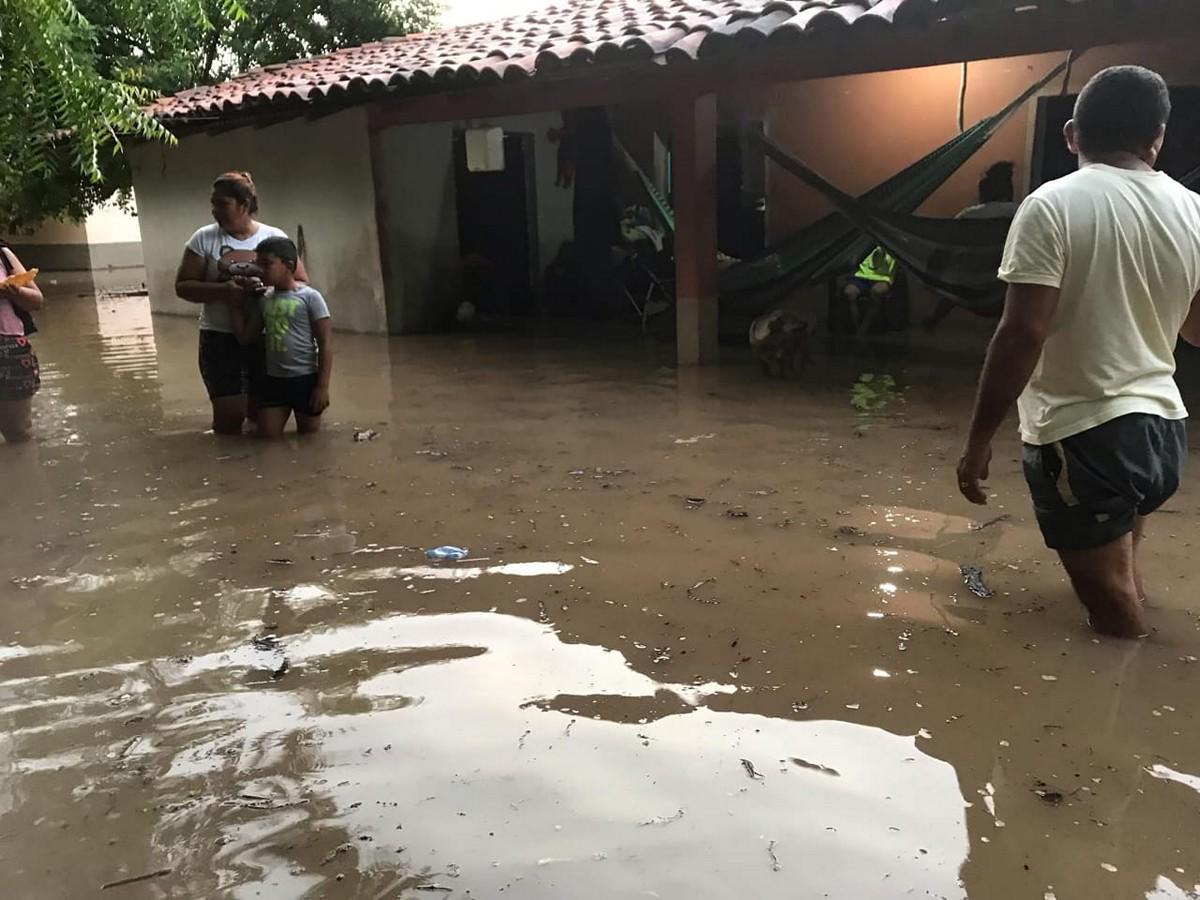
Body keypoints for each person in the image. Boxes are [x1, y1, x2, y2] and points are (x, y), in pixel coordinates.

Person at [957, 65, 1200, 639]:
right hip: (1163, 430)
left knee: (1111, 607)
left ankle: (1133, 696)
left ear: (1072, 135)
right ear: (1157, 138)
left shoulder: (1053, 205)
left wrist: (977, 441)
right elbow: (1195, 331)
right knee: (1125, 570)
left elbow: (1021, 334)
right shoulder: (1193, 210)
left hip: (1086, 430)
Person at [174, 172, 307, 435]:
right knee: (228, 421)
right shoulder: (203, 238)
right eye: (213, 204)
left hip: (266, 339)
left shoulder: (273, 237)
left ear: (244, 204)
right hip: (219, 337)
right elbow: (182, 287)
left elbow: (301, 282)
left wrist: (269, 289)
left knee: (260, 420)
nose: (214, 211)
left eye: (221, 204)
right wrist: (223, 291)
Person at [230, 237, 332, 438]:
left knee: (309, 439)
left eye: (267, 264)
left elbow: (325, 343)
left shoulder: (311, 297)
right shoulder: (263, 299)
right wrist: (234, 304)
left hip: (305, 379)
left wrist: (322, 387)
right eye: (258, 264)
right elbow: (245, 337)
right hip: (273, 381)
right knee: (267, 438)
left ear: (289, 265)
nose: (260, 270)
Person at [923, 162, 1019, 331]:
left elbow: (945, 247)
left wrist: (931, 275)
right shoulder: (1019, 212)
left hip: (969, 281)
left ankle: (933, 320)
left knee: (953, 288)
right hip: (1004, 282)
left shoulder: (968, 216)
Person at [0, 242, 44, 443]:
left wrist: (14, 292)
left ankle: (24, 470)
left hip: (9, 350)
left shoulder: (3, 255)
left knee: (19, 433)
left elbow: (37, 300)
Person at [843, 245, 896, 335]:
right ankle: (857, 327)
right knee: (849, 292)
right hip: (860, 276)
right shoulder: (864, 240)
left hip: (882, 278)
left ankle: (864, 328)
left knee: (876, 292)